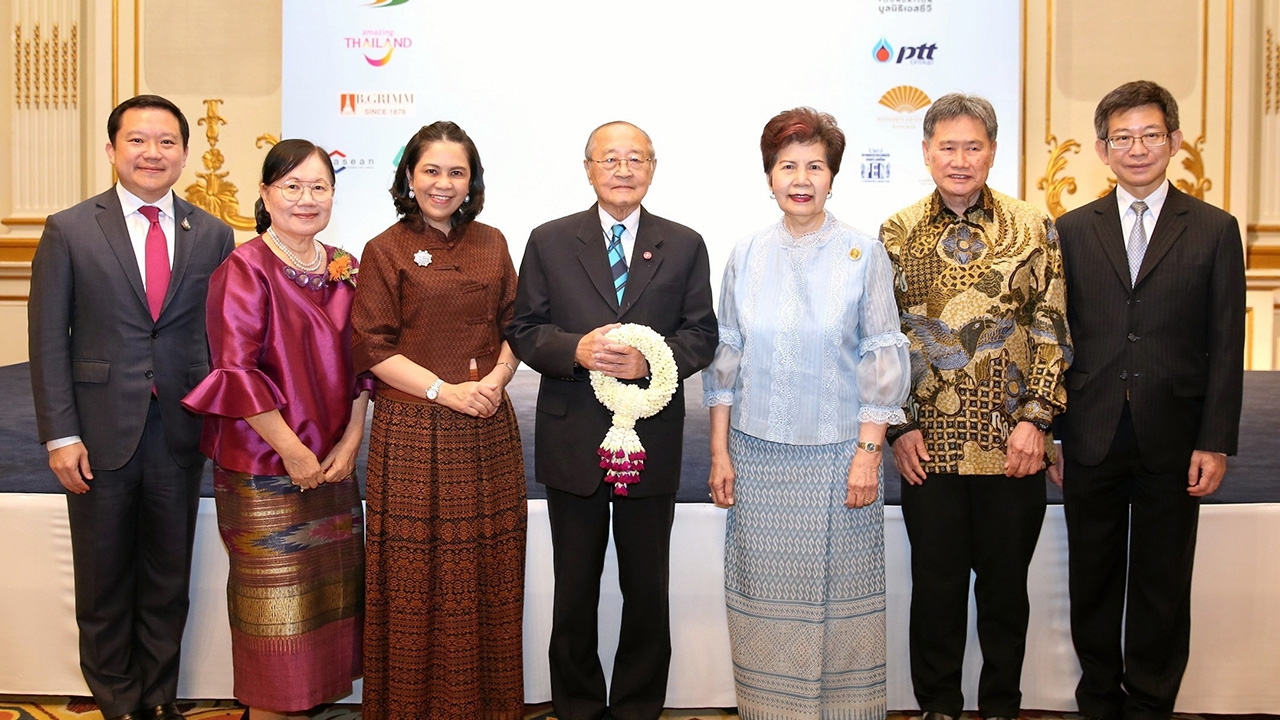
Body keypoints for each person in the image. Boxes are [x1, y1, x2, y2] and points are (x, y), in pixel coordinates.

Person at [27, 94, 235, 720]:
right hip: (97, 431)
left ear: (184, 153)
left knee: (169, 577)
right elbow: (46, 339)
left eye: (167, 141)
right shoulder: (69, 228)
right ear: (113, 149)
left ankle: (158, 697)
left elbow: (219, 334)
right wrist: (60, 435)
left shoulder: (213, 232)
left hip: (179, 428)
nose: (153, 153)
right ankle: (117, 701)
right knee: (104, 576)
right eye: (139, 140)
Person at [703, 107, 910, 719]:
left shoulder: (863, 253)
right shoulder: (745, 254)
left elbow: (881, 358)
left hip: (841, 459)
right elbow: (726, 358)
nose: (801, 178)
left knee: (842, 596)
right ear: (768, 176)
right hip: (757, 457)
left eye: (815, 165)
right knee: (762, 596)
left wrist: (869, 454)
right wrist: (720, 452)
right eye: (787, 165)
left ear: (833, 175)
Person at [507, 121, 717, 720]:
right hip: (574, 437)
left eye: (635, 159)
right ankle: (575, 707)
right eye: (610, 159)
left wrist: (652, 358)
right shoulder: (550, 241)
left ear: (652, 167)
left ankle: (636, 708)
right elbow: (524, 329)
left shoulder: (684, 243)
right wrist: (574, 350)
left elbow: (702, 336)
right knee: (573, 592)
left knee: (647, 590)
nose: (623, 170)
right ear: (588, 167)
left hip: (649, 441)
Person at [1050, 80, 1245, 720]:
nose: (1138, 149)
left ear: (1176, 142)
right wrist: (1050, 430)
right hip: (1091, 429)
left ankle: (1152, 702)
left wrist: (1215, 439)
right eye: (1123, 138)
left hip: (1174, 431)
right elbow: (1056, 337)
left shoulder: (1216, 230)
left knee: (1163, 583)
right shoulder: (1072, 231)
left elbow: (1225, 341)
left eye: (1150, 135)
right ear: (1102, 150)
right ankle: (1099, 699)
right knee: (1094, 578)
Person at [880, 92, 1071, 720]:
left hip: (1012, 447)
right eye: (947, 147)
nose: (960, 159)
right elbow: (884, 341)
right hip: (926, 448)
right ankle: (937, 706)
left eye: (973, 146)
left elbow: (1052, 330)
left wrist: (1035, 421)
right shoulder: (897, 232)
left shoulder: (1033, 225)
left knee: (1003, 593)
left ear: (992, 151)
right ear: (927, 152)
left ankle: (1000, 708)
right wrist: (898, 427)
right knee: (934, 590)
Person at [181, 139, 372, 720]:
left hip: (332, 464)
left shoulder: (345, 267)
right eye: (292, 186)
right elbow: (235, 372)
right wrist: (292, 451)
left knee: (326, 600)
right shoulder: (243, 268)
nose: (306, 199)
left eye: (319, 187)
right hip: (266, 466)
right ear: (265, 195)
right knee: (276, 612)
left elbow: (366, 360)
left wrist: (350, 440)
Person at [351, 121, 526, 720]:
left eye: (457, 172)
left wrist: (495, 383)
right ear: (408, 176)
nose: (443, 184)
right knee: (413, 578)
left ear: (472, 180)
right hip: (412, 432)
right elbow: (371, 346)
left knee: (489, 572)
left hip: (487, 427)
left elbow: (516, 327)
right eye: (431, 171)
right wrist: (444, 391)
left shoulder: (493, 241)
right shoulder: (385, 249)